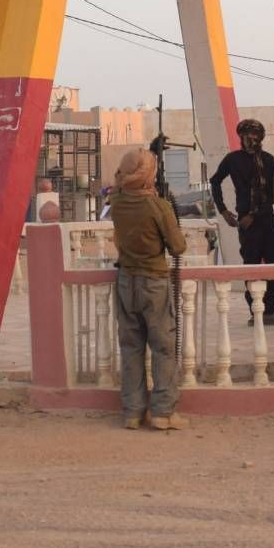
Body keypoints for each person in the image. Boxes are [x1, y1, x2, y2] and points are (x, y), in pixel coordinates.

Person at [108, 148, 189, 431]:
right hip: (153, 282)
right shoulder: (158, 207)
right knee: (163, 347)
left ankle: (133, 412)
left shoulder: (116, 201)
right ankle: (163, 412)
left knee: (131, 347)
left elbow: (119, 189)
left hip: (125, 281)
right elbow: (177, 247)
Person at [209, 118, 274, 324]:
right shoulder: (232, 159)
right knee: (251, 267)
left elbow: (272, 194)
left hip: (266, 219)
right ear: (241, 137)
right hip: (246, 223)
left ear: (260, 137)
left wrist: (255, 214)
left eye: (255, 134)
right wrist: (223, 211)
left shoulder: (268, 160)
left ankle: (270, 311)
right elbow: (215, 181)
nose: (251, 138)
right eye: (247, 135)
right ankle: (256, 313)